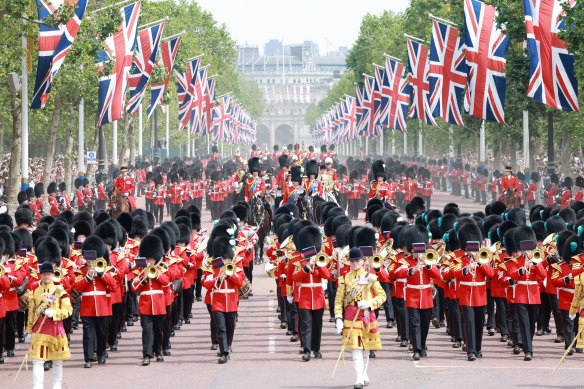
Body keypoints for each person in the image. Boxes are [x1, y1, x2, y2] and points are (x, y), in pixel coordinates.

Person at [334, 247, 386, 389]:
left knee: (366, 348)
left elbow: (382, 296)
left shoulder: (371, 277)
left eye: (357, 260)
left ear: (363, 261)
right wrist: (338, 318)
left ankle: (363, 374)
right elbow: (338, 300)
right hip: (351, 316)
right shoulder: (344, 278)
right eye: (352, 261)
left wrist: (370, 303)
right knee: (355, 348)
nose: (354, 263)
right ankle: (358, 379)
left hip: (367, 315)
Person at [26, 261, 72, 389]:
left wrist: (55, 313)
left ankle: (56, 386)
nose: (46, 276)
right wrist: (29, 330)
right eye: (44, 274)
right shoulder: (35, 291)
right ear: (40, 275)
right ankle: (37, 386)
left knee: (57, 362)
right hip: (39, 331)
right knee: (37, 361)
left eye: (48, 274)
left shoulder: (60, 291)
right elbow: (31, 312)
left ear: (53, 275)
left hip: (55, 330)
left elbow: (68, 310)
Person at [454, 224, 494, 361]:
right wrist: (467, 267)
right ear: (466, 247)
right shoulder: (461, 259)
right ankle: (470, 351)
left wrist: (480, 262)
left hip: (480, 296)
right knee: (469, 322)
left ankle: (478, 348)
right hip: (466, 295)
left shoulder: (483, 258)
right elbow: (456, 273)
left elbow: (491, 273)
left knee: (479, 323)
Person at [203, 236, 246, 364]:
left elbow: (239, 282)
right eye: (223, 258)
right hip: (217, 302)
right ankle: (223, 352)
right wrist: (219, 279)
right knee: (221, 328)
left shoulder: (236, 267)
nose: (225, 260)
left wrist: (230, 274)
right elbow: (206, 282)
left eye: (227, 258)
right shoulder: (213, 266)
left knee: (230, 326)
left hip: (232, 302)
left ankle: (227, 345)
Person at [293, 225, 330, 361]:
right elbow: (295, 277)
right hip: (305, 298)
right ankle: (307, 350)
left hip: (318, 298)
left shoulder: (321, 262)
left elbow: (327, 275)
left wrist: (318, 267)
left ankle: (317, 349)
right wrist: (306, 268)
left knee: (317, 326)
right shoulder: (300, 263)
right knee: (306, 325)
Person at [132, 235, 169, 366]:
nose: (150, 261)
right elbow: (134, 287)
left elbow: (165, 282)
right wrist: (144, 276)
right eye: (148, 258)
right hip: (145, 305)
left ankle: (158, 352)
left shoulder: (161, 268)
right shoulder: (140, 270)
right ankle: (147, 354)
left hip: (159, 305)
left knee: (158, 330)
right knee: (147, 330)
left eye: (152, 259)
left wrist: (156, 274)